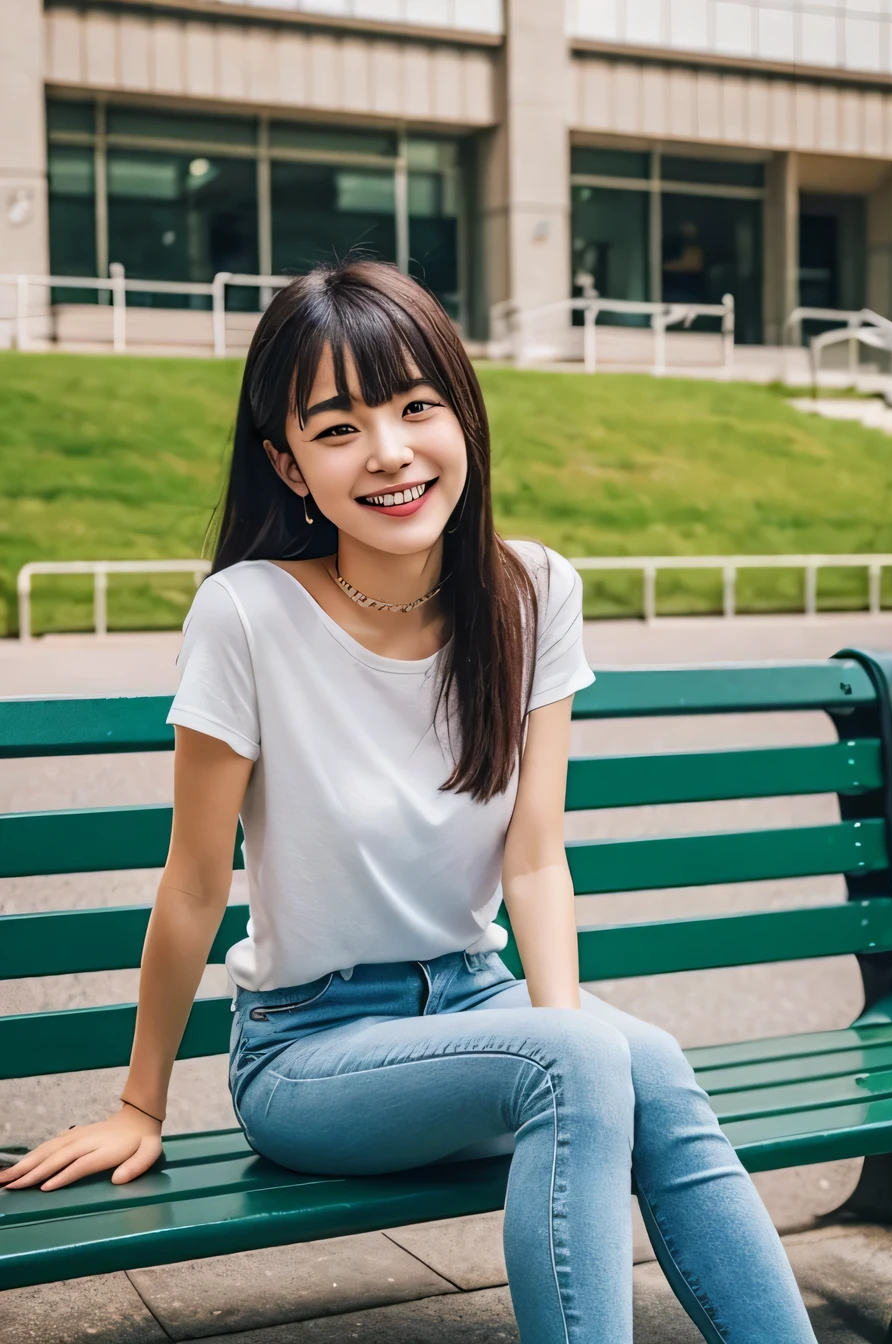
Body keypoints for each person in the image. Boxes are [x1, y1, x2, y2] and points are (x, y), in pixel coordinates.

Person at [0, 261, 816, 1344]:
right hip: (307, 1056)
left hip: (478, 1006)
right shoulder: (246, 616)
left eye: (415, 406)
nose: (388, 452)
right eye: (338, 428)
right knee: (581, 1055)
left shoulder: (532, 594)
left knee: (642, 1061)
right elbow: (195, 882)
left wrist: (560, 1037)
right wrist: (141, 1104)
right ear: (288, 466)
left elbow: (532, 858)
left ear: (461, 417)